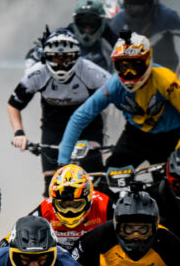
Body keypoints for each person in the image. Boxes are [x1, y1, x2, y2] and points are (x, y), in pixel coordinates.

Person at [57, 32, 180, 171]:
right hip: (135, 136)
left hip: (169, 139)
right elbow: (80, 116)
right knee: (107, 181)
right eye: (123, 67)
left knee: (168, 189)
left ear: (147, 62)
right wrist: (63, 161)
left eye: (135, 67)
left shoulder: (166, 81)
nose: (128, 74)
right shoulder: (114, 85)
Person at [7, 28, 111, 191]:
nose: (60, 64)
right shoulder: (37, 73)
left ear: (77, 56)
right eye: (54, 58)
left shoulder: (90, 71)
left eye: (66, 58)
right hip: (53, 126)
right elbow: (14, 105)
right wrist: (19, 133)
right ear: (45, 57)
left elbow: (118, 93)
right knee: (51, 184)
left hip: (87, 125)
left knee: (95, 177)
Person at [109, 0, 180, 71]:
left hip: (165, 70)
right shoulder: (120, 21)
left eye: (142, 6)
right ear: (126, 6)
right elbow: (106, 44)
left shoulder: (166, 16)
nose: (138, 11)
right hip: (131, 72)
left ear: (151, 4)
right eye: (134, 7)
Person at [28, 165, 111, 252]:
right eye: (63, 204)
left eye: (75, 204)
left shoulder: (104, 205)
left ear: (88, 198)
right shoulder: (45, 208)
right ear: (53, 201)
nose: (69, 211)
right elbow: (22, 230)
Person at [69, 0, 120, 71]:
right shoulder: (65, 38)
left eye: (92, 25)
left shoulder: (109, 40)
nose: (87, 30)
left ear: (101, 25)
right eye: (82, 25)